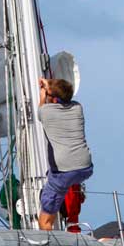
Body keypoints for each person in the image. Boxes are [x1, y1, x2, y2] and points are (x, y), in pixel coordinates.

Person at [36, 77, 92, 232]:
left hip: (63, 172)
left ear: (52, 99)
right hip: (85, 167)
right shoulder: (78, 107)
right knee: (66, 184)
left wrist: (42, 95)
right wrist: (50, 88)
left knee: (45, 221)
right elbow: (58, 98)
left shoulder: (45, 111)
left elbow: (41, 108)